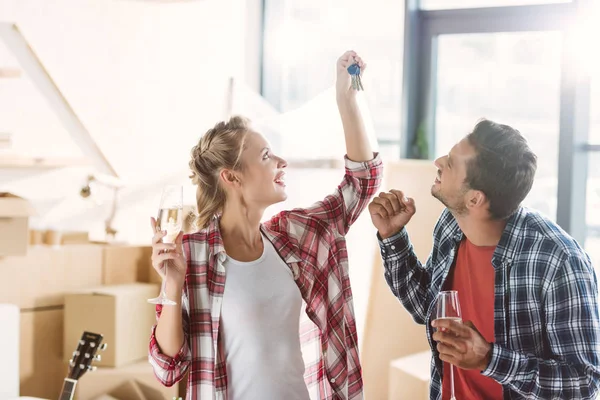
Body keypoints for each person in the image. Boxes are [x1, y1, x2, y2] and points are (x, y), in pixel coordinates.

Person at [147, 50, 382, 400]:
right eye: (266, 156)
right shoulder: (192, 253)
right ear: (232, 177)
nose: (281, 162)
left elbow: (363, 182)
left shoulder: (293, 236)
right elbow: (168, 367)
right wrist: (172, 284)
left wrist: (346, 99)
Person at [368, 119, 600, 399]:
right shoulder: (452, 224)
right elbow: (426, 308)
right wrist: (392, 236)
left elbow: (585, 382)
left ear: (475, 200)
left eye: (451, 163)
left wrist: (490, 359)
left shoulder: (560, 261)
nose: (438, 161)